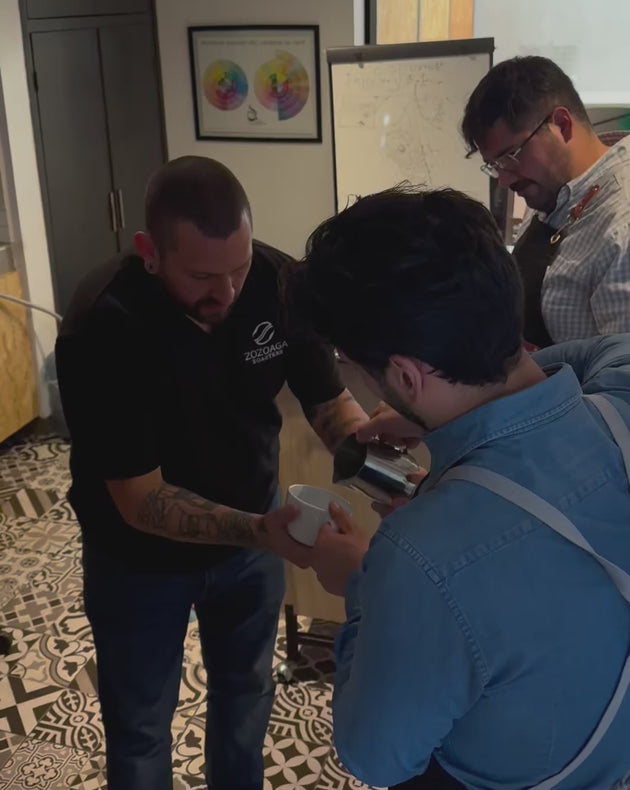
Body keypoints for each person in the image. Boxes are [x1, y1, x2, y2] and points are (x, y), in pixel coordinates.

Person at [294, 184, 630, 789]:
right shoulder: (620, 396)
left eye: (364, 370)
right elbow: (606, 351)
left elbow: (375, 758)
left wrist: (362, 582)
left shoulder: (418, 558)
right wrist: (447, 401)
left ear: (404, 375)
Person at [55, 155, 367, 790]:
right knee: (141, 730)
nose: (226, 293)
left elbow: (329, 403)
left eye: (238, 268)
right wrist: (260, 530)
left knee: (245, 701)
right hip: (136, 562)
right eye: (201, 276)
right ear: (150, 252)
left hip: (250, 550)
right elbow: (141, 499)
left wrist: (384, 463)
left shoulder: (277, 283)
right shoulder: (104, 322)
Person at [462, 55, 630, 349]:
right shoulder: (555, 190)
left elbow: (621, 374)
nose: (504, 180)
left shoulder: (622, 225)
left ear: (562, 125)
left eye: (511, 156)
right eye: (495, 165)